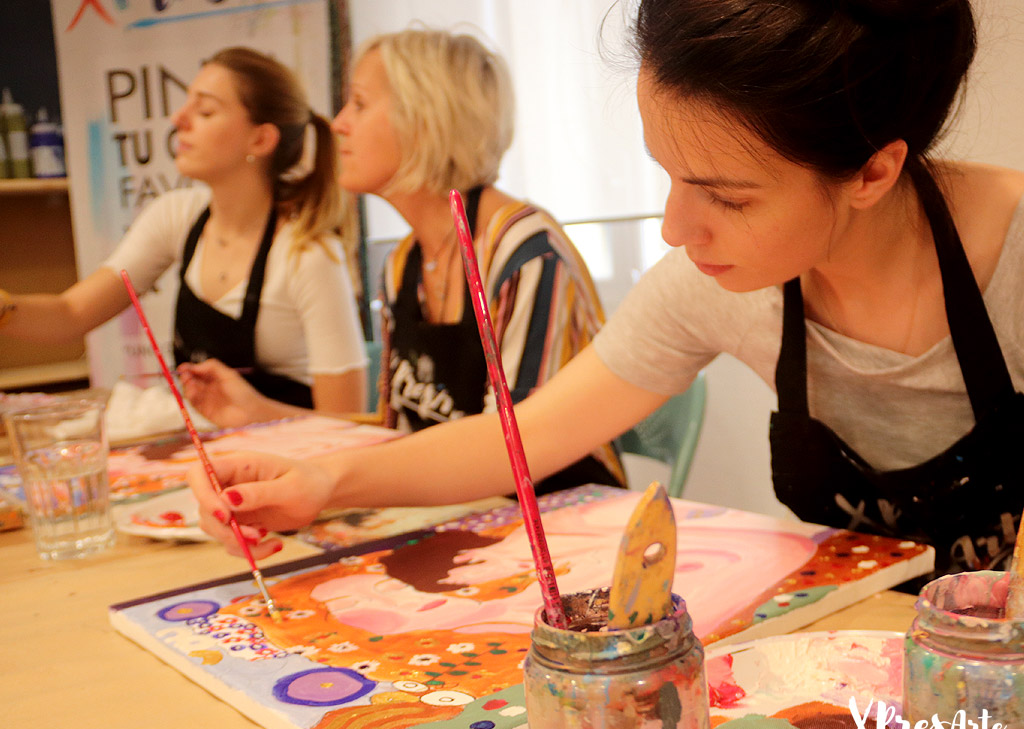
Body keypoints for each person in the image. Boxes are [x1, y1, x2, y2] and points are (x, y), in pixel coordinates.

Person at [189, 0, 1024, 583]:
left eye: (726, 195)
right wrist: (321, 483)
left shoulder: (1014, 255)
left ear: (874, 169)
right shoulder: (716, 282)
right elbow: (525, 437)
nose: (674, 226)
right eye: (666, 175)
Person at [181, 29, 624, 493]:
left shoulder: (524, 252)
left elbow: (512, 452)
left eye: (359, 103)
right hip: (464, 516)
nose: (338, 123)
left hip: (563, 524)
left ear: (425, 119)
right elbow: (399, 439)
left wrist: (328, 486)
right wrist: (261, 414)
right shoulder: (402, 266)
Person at [0, 47, 367, 413]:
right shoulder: (177, 217)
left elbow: (346, 424)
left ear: (260, 140)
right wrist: (6, 309)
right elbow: (71, 314)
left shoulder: (310, 255)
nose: (179, 118)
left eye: (205, 111)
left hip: (296, 462)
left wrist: (257, 411)